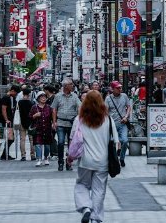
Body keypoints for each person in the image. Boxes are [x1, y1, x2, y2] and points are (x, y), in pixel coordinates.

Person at [69, 90, 121, 223]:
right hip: (103, 161)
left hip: (85, 160)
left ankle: (85, 207)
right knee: (99, 190)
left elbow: (73, 139)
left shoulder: (79, 119)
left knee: (82, 184)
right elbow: (116, 142)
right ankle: (96, 217)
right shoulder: (108, 119)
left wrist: (69, 156)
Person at [52, 78, 82, 171]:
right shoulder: (58, 96)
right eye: (70, 84)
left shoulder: (74, 96)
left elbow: (79, 106)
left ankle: (69, 162)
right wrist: (54, 122)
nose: (72, 86)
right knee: (61, 142)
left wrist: (79, 118)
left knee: (71, 144)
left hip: (71, 123)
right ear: (65, 86)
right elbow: (54, 109)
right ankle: (60, 162)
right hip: (60, 122)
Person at [106, 82, 132, 167]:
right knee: (111, 142)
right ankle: (113, 159)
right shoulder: (108, 98)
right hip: (112, 124)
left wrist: (126, 116)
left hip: (123, 123)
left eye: (120, 88)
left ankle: (122, 158)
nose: (120, 89)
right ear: (112, 89)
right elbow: (105, 111)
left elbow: (128, 106)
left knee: (125, 140)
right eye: (118, 88)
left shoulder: (124, 96)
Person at [30, 90, 57, 166]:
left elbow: (53, 117)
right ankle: (39, 159)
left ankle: (45, 158)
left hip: (47, 128)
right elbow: (29, 117)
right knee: (38, 144)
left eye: (44, 97)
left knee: (47, 145)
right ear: (38, 98)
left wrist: (54, 123)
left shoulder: (49, 107)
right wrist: (35, 116)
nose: (43, 98)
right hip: (38, 128)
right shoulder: (34, 107)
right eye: (41, 97)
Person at [0, 85, 19, 160]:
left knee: (10, 138)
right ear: (12, 91)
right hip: (8, 121)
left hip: (10, 120)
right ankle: (4, 154)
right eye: (16, 93)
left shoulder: (11, 98)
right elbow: (3, 109)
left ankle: (5, 154)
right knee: (10, 138)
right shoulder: (6, 98)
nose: (16, 94)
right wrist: (6, 119)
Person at [17, 85, 35, 161]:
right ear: (29, 94)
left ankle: (23, 155)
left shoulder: (19, 103)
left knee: (22, 139)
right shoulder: (32, 103)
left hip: (21, 122)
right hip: (30, 122)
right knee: (31, 139)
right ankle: (32, 155)